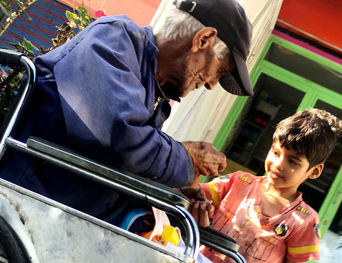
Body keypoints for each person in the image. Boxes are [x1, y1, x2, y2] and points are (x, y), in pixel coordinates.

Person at [0, 0, 253, 225]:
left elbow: (127, 162)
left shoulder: (155, 90)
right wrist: (187, 158)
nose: (210, 84)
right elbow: (118, 138)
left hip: (67, 220)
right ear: (203, 39)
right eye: (219, 71)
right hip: (25, 209)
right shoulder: (114, 38)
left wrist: (171, 194)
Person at [184, 108, 342, 263]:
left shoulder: (306, 221)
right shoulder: (238, 182)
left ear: (314, 171)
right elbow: (189, 196)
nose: (278, 164)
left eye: (293, 161)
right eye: (276, 152)